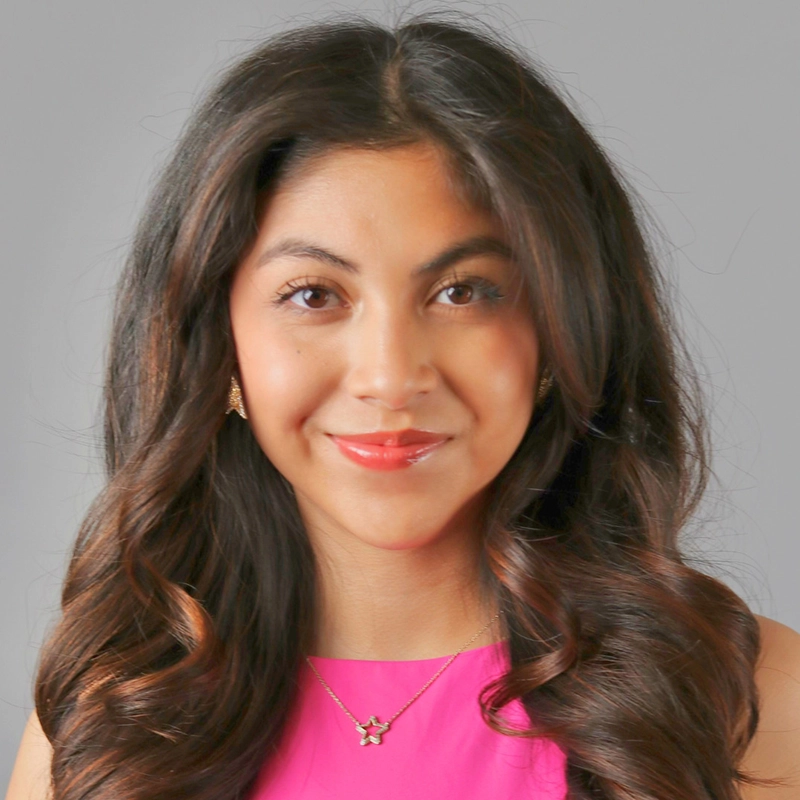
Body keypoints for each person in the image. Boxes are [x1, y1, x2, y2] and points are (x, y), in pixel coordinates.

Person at [6, 9, 800, 800]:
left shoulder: (745, 700)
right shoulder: (116, 718)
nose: (389, 377)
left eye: (463, 292)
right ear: (217, 343)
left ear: (564, 330)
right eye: (313, 295)